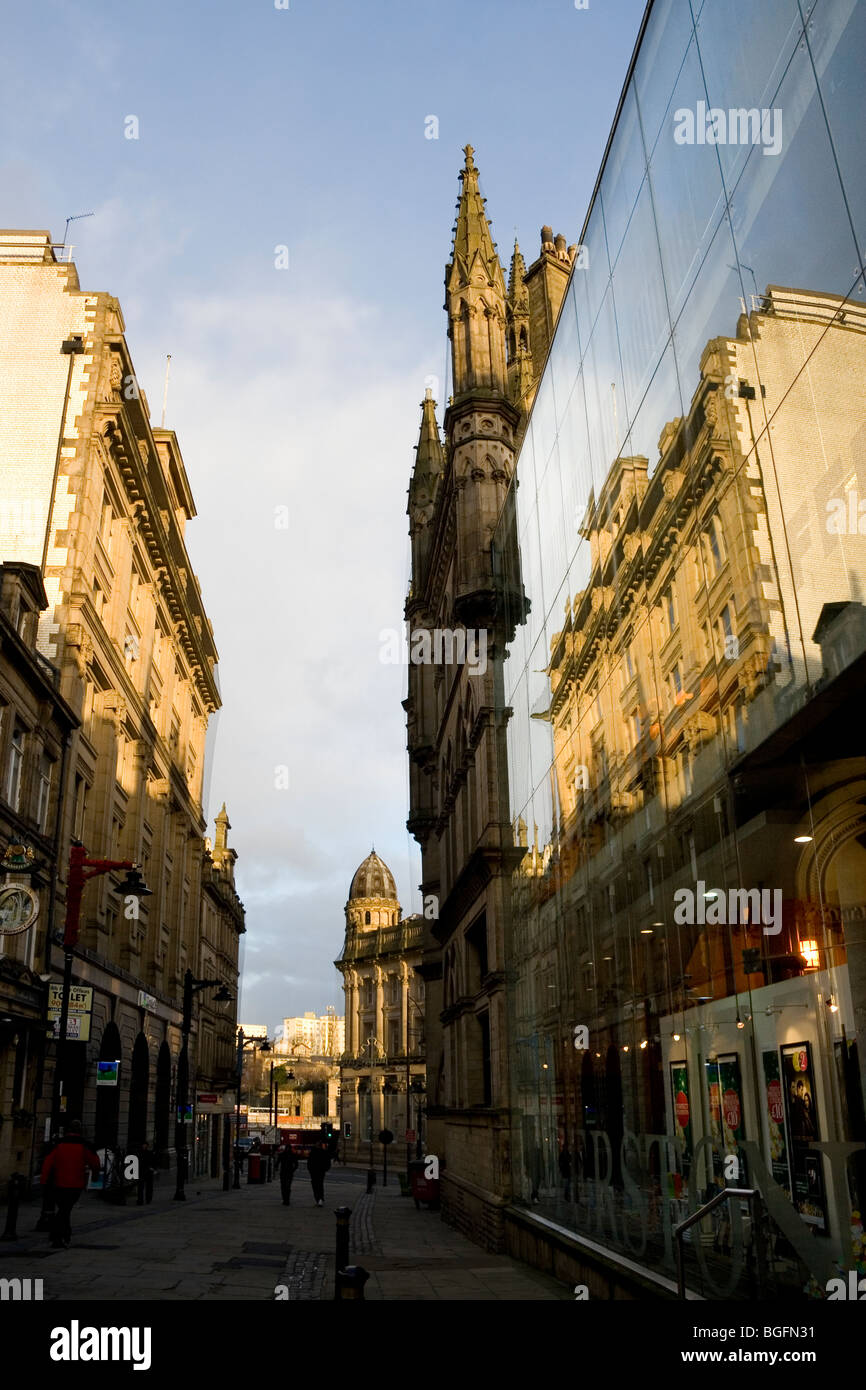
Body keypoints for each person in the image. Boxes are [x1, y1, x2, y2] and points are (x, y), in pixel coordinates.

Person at [41, 1120, 100, 1248]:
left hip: (58, 1183)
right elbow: (95, 1163)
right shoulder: (84, 1145)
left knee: (64, 1209)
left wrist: (44, 1181)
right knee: (65, 1210)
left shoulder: (58, 1144)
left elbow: (47, 1162)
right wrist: (95, 1178)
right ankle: (57, 1236)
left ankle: (64, 1234)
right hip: (75, 1184)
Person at [307, 1140, 331, 1206]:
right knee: (320, 1185)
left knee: (315, 1185)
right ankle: (320, 1198)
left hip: (314, 1171)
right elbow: (328, 1162)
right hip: (321, 1171)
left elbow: (309, 1162)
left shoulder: (313, 1152)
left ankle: (318, 1199)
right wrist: (325, 1169)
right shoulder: (324, 1152)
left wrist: (310, 1170)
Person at [136, 1140, 156, 1205]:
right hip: (142, 1172)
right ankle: (140, 1200)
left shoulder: (150, 1153)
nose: (144, 1146)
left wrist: (153, 1168)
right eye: (143, 1145)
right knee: (141, 1187)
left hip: (148, 1172)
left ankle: (148, 1199)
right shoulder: (139, 1153)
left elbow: (153, 1162)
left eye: (145, 1145)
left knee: (149, 1187)